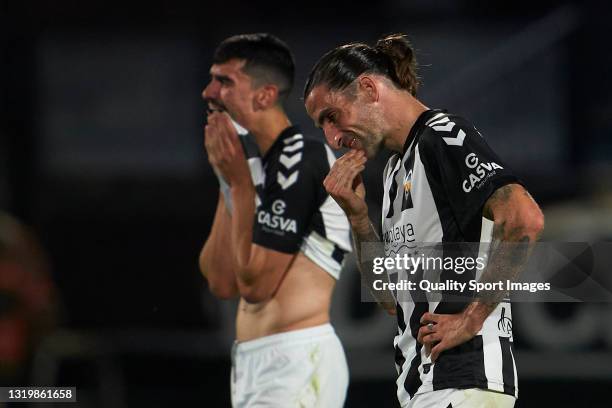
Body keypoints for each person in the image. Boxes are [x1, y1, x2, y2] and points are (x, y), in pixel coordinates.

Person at [303, 33, 545, 408]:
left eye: (331, 117)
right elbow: (390, 299)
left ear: (368, 88)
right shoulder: (394, 171)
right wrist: (357, 215)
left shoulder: (442, 135)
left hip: (463, 380)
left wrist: (472, 317)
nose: (332, 138)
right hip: (425, 386)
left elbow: (523, 217)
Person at [198, 33, 352, 407]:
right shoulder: (249, 169)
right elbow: (221, 282)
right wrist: (228, 181)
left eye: (224, 82)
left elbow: (255, 285)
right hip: (255, 364)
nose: (208, 92)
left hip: (296, 360)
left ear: (264, 95)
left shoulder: (302, 158)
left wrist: (238, 183)